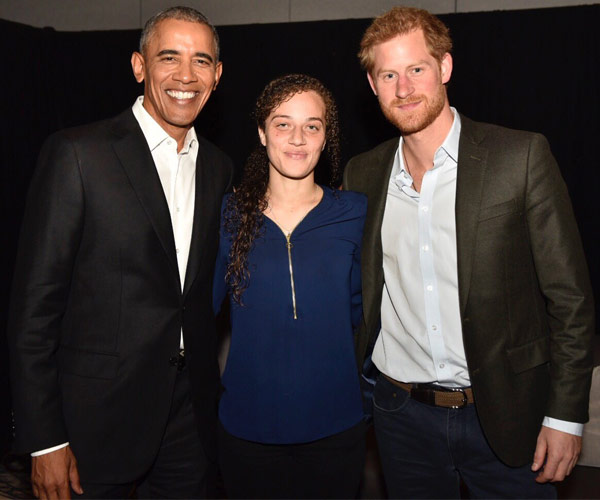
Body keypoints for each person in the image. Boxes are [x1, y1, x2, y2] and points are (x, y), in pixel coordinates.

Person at [343, 7, 594, 499]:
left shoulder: (519, 157)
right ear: (373, 85)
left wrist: (565, 415)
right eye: (388, 74)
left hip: (506, 413)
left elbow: (571, 300)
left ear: (445, 68)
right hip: (401, 418)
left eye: (416, 69)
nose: (404, 88)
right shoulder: (362, 175)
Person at [8, 6, 232, 499]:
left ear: (217, 75)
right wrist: (44, 441)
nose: (185, 76)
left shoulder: (218, 167)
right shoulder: (78, 154)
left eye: (201, 61)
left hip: (188, 423)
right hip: (93, 425)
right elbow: (33, 313)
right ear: (139, 66)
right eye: (168, 57)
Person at [213, 74, 367, 499]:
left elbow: (366, 313)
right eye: (282, 124)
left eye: (312, 126)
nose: (297, 138)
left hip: (336, 430)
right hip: (247, 434)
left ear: (325, 137)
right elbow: (195, 314)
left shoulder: (355, 212)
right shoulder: (228, 215)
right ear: (262, 133)